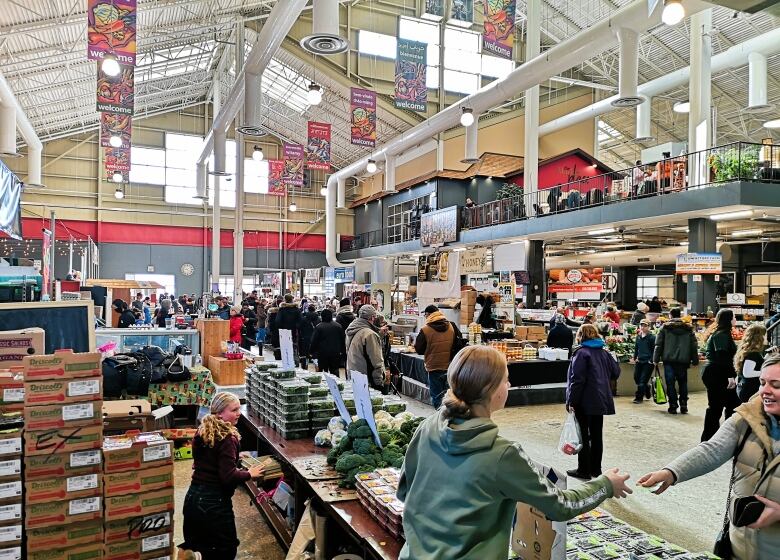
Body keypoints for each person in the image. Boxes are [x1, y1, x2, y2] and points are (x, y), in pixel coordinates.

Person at [397, 345, 632, 560]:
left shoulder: (428, 426)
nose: (509, 385)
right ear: (491, 389)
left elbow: (404, 491)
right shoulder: (502, 455)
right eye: (506, 380)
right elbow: (560, 506)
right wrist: (606, 485)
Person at [638, 354, 780, 560]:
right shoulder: (748, 417)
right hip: (739, 545)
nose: (764, 391)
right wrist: (671, 472)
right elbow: (712, 449)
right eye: (762, 382)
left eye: (775, 385)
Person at [180, 392, 264, 560]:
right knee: (226, 550)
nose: (239, 413)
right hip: (214, 503)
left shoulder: (202, 430)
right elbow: (228, 476)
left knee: (198, 544)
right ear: (219, 413)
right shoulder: (228, 438)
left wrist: (235, 457)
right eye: (234, 410)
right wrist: (250, 474)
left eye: (239, 408)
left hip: (193, 498)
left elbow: (209, 457)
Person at [565, 324, 620, 480]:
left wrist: (571, 401)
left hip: (584, 400)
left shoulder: (581, 353)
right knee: (596, 435)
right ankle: (596, 469)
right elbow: (616, 372)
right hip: (601, 399)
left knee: (583, 435)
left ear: (581, 335)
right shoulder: (604, 352)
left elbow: (577, 380)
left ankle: (583, 469)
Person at [701, 308, 740, 441]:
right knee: (716, 407)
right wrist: (730, 376)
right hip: (717, 373)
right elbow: (722, 356)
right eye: (734, 316)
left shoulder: (723, 334)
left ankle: (720, 437)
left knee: (729, 405)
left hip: (718, 372)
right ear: (728, 319)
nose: (735, 319)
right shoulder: (721, 335)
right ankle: (709, 438)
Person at [652, 307, 700, 414]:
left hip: (669, 361)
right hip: (683, 361)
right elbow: (693, 346)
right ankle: (684, 405)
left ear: (670, 315)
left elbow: (658, 345)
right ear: (680, 315)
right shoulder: (688, 328)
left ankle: (673, 405)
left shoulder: (665, 328)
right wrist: (695, 360)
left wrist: (655, 359)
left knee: (670, 383)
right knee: (683, 383)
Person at [414, 305, 457, 409]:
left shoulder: (425, 329)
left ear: (428, 315)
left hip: (434, 366)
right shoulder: (452, 326)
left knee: (437, 396)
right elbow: (457, 344)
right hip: (450, 366)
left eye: (425, 315)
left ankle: (440, 418)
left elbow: (419, 349)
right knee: (449, 395)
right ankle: (449, 417)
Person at [345, 305, 388, 390]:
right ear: (372, 317)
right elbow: (376, 361)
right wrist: (379, 381)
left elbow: (360, 347)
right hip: (366, 379)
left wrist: (378, 334)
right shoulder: (370, 334)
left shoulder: (352, 328)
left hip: (353, 373)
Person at [735, 323, 767, 403]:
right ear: (759, 337)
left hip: (744, 387)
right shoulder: (753, 354)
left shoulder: (749, 351)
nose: (767, 337)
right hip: (750, 390)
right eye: (765, 335)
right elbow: (748, 373)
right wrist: (765, 372)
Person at [309, 309, 345, 377]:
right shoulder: (338, 326)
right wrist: (342, 351)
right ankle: (337, 385)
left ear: (322, 316)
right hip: (335, 353)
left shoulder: (319, 327)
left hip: (322, 353)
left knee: (322, 372)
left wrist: (311, 351)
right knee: (335, 370)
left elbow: (314, 341)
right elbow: (342, 340)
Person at [631, 320, 656, 404]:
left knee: (642, 381)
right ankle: (647, 387)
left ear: (649, 327)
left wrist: (651, 360)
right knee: (636, 378)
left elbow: (654, 350)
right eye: (641, 325)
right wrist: (635, 357)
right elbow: (636, 347)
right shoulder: (638, 336)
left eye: (645, 325)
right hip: (639, 361)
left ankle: (639, 398)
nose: (642, 327)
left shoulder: (652, 337)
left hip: (648, 362)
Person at [276, 294, 303, 361]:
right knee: (294, 345)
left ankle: (286, 360)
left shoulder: (282, 309)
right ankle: (295, 359)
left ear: (285, 300)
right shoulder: (297, 309)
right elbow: (300, 320)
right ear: (292, 299)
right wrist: (297, 327)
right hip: (294, 330)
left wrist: (281, 327)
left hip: (284, 330)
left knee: (285, 345)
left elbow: (277, 321)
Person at [298, 304, 321, 370]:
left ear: (308, 310)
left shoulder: (304, 319)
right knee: (316, 357)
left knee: (305, 356)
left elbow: (299, 328)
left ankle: (305, 370)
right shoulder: (318, 319)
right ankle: (318, 371)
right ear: (314, 310)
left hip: (305, 339)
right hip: (316, 340)